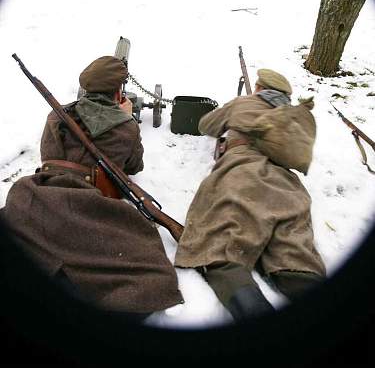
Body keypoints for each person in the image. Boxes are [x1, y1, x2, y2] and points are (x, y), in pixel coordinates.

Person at [1, 55, 183, 322]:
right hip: (87, 199)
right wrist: (125, 119)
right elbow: (134, 166)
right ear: (118, 91)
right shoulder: (127, 128)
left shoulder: (57, 114)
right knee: (149, 273)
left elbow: (47, 155)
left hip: (40, 191)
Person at [174, 68, 326, 322]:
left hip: (242, 171)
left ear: (258, 88)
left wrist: (234, 112)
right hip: (287, 185)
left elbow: (205, 125)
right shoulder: (292, 118)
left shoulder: (244, 102)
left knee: (220, 248)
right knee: (297, 258)